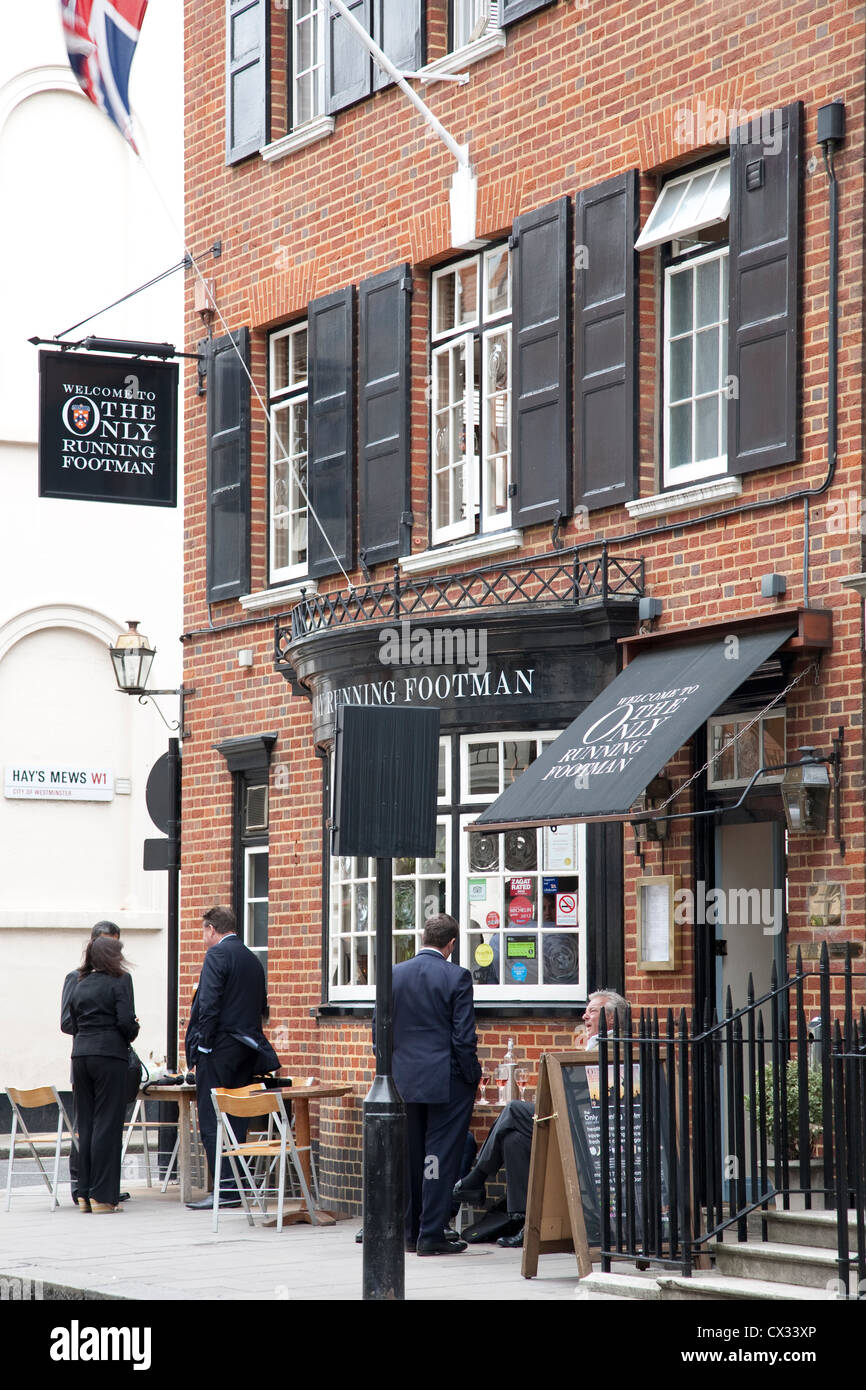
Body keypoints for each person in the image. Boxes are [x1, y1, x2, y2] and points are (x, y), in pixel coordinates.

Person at [453, 988, 630, 1248]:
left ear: (611, 1019)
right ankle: (526, 1224)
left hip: (584, 1129)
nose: (584, 1015)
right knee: (514, 1138)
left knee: (514, 1109)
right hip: (571, 1117)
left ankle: (477, 1177)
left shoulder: (612, 1046)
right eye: (587, 1010)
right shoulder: (596, 1042)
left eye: (592, 1010)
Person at [388, 913, 482, 1255]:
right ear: (452, 944)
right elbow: (463, 1037)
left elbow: (379, 1031)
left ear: (423, 936)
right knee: (439, 1155)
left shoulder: (395, 974)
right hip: (446, 1081)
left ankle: (411, 1232)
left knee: (413, 1156)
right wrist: (472, 1075)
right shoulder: (457, 976)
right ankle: (431, 1233)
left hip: (403, 1080)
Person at [184, 905, 271, 1210]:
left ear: (211, 929)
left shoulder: (217, 956)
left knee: (212, 1118)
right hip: (246, 1050)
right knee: (237, 1118)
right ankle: (236, 1186)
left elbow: (208, 1005)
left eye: (203, 931)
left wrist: (203, 1046)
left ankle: (223, 1189)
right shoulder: (252, 958)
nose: (203, 938)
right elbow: (262, 1006)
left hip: (218, 1050)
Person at [64, 934, 139, 1213]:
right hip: (109, 1055)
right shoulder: (120, 980)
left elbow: (72, 1019)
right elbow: (125, 1021)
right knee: (108, 1123)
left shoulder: (80, 982)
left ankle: (84, 1194)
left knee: (87, 1124)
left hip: (80, 1055)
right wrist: (134, 1028)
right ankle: (103, 1196)